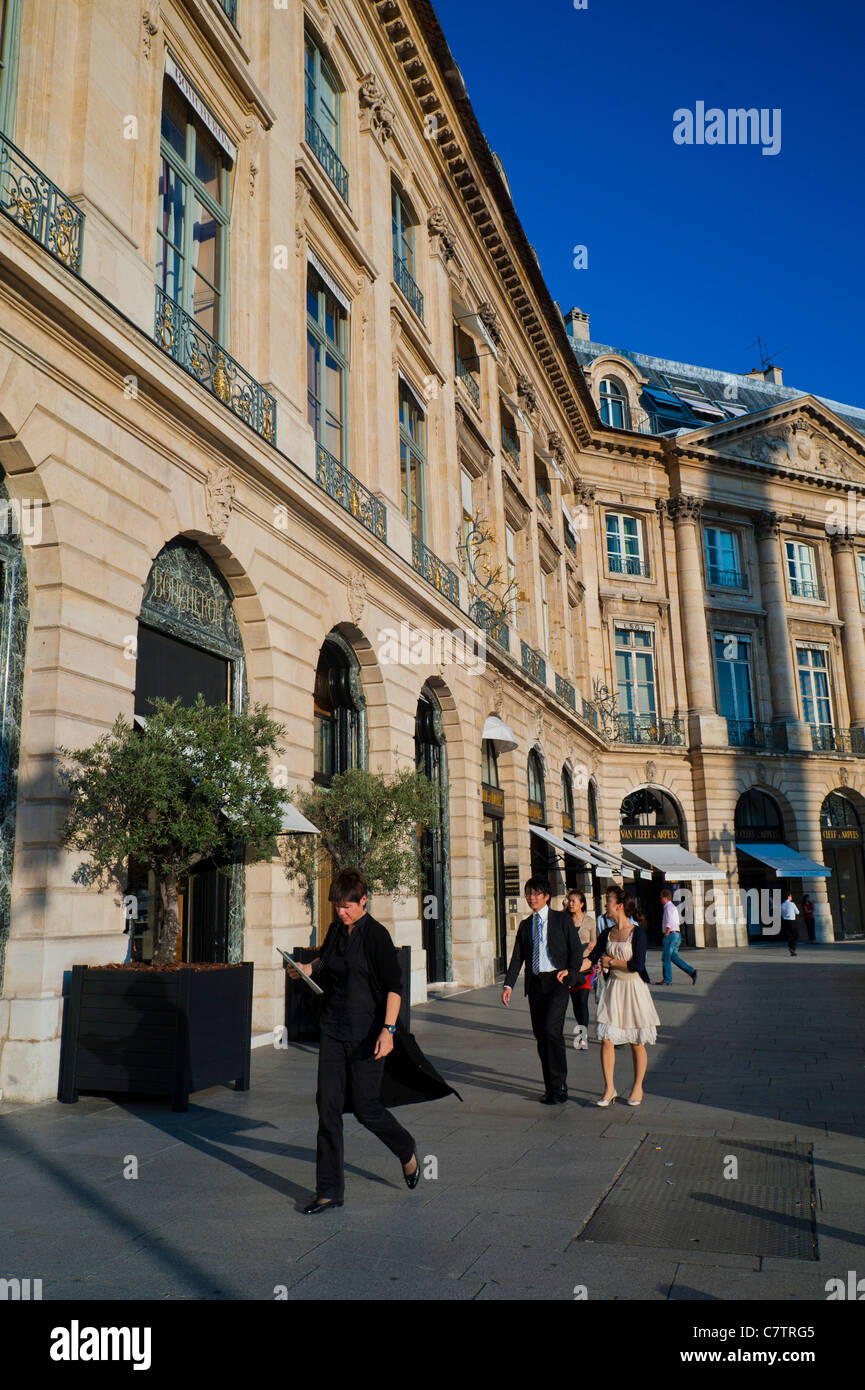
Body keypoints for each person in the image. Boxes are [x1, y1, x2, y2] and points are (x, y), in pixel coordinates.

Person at [285, 868, 419, 1214]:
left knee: (365, 1108)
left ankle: (405, 1148)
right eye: (336, 907)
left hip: (367, 1034)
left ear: (363, 901)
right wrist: (305, 968)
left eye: (347, 907)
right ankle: (329, 1191)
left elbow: (394, 987)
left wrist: (388, 1032)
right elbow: (326, 962)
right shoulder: (335, 930)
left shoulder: (377, 936)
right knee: (327, 1107)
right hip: (332, 1028)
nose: (341, 913)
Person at [502, 875, 583, 1103]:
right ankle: (550, 1087)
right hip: (536, 983)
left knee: (551, 1030)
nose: (531, 898)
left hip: (557, 981)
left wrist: (571, 973)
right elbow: (517, 957)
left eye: (536, 893)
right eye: (528, 893)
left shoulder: (561, 920)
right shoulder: (526, 925)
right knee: (541, 1036)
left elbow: (576, 950)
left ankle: (560, 1084)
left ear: (546, 896)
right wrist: (508, 984)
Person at [580, 886, 660, 1107]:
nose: (605, 904)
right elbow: (592, 958)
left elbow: (637, 965)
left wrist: (611, 962)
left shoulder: (638, 933)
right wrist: (571, 968)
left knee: (636, 1040)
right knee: (607, 1038)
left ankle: (637, 1087)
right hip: (613, 989)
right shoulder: (606, 933)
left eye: (608, 900)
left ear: (619, 905)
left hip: (633, 990)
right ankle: (609, 1089)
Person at [565, 890, 596, 1049]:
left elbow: (594, 942)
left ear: (582, 904)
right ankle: (580, 1029)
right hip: (569, 967)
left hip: (585, 967)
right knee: (575, 1002)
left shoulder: (590, 921)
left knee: (582, 1000)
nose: (570, 903)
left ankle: (583, 1035)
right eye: (569, 900)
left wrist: (591, 948)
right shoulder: (564, 920)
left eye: (574, 901)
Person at [656, 886, 697, 986]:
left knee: (666, 957)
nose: (660, 900)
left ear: (665, 898)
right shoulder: (672, 907)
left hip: (671, 935)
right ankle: (691, 972)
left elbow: (669, 922)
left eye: (661, 898)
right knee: (673, 957)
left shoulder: (668, 908)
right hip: (676, 935)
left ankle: (667, 979)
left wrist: (666, 934)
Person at [780, 891, 801, 956]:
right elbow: (797, 912)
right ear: (788, 897)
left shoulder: (782, 904)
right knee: (796, 935)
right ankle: (792, 948)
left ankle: (791, 949)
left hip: (785, 921)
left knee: (789, 935)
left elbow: (781, 914)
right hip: (792, 920)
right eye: (791, 896)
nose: (791, 897)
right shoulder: (792, 904)